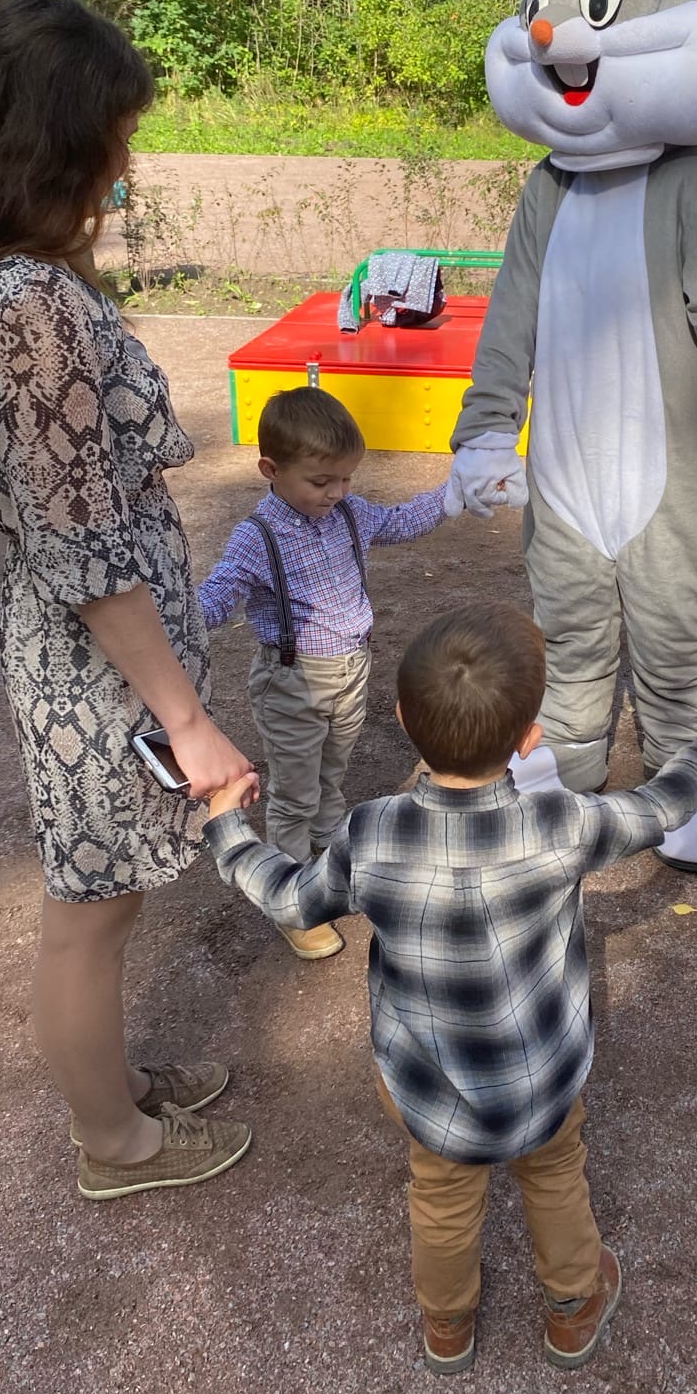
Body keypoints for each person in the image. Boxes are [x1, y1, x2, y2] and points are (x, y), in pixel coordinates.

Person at [0, 0, 255, 1202]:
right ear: (62, 137)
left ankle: (116, 1090)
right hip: (99, 662)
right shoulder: (30, 310)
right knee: (90, 911)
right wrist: (187, 720)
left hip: (89, 651)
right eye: (115, 131)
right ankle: (114, 1141)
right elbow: (85, 546)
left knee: (99, 901)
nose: (125, 158)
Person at [208, 604, 697, 1375]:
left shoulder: (373, 833)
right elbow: (662, 805)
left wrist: (229, 830)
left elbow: (292, 900)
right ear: (530, 737)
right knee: (556, 1175)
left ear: (403, 719)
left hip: (430, 1090)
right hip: (545, 1080)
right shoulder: (562, 823)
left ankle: (447, 1325)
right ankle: (572, 1308)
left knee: (440, 1199)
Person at [197, 386, 450, 962]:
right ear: (271, 470)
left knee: (332, 771)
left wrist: (457, 491)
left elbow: (401, 520)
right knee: (293, 793)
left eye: (346, 479)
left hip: (352, 670)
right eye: (320, 481)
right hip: (291, 684)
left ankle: (331, 850)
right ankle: (291, 899)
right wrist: (163, 615)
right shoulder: (257, 537)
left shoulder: (348, 513)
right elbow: (217, 595)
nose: (337, 492)